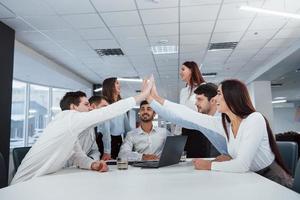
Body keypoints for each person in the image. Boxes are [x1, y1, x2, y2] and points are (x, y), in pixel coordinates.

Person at [147, 79, 292, 187]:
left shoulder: (254, 119)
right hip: (250, 177)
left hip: (272, 179)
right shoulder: (223, 124)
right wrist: (156, 99)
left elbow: (241, 165)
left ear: (232, 96)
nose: (215, 98)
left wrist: (208, 165)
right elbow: (188, 115)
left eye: (219, 93)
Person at [11, 78, 153, 184]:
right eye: (86, 104)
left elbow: (78, 156)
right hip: (24, 185)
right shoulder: (68, 118)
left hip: (43, 182)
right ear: (73, 107)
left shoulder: (71, 130)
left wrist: (93, 164)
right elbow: (107, 112)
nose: (90, 108)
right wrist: (143, 95)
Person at [178, 61, 212, 158]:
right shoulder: (183, 91)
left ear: (192, 70)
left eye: (183, 69)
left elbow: (207, 110)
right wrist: (177, 133)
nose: (180, 72)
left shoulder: (203, 87)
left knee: (200, 161)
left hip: (199, 130)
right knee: (188, 163)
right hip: (185, 131)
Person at [102, 77, 132, 159]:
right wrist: (107, 151)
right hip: (106, 141)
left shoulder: (120, 105)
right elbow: (106, 130)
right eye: (117, 83)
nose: (119, 85)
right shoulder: (105, 105)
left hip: (118, 140)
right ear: (111, 86)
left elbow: (127, 128)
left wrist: (132, 142)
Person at [89, 95, 111, 160]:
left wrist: (107, 152)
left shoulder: (101, 120)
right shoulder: (83, 125)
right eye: (104, 107)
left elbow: (106, 135)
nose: (107, 111)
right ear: (93, 106)